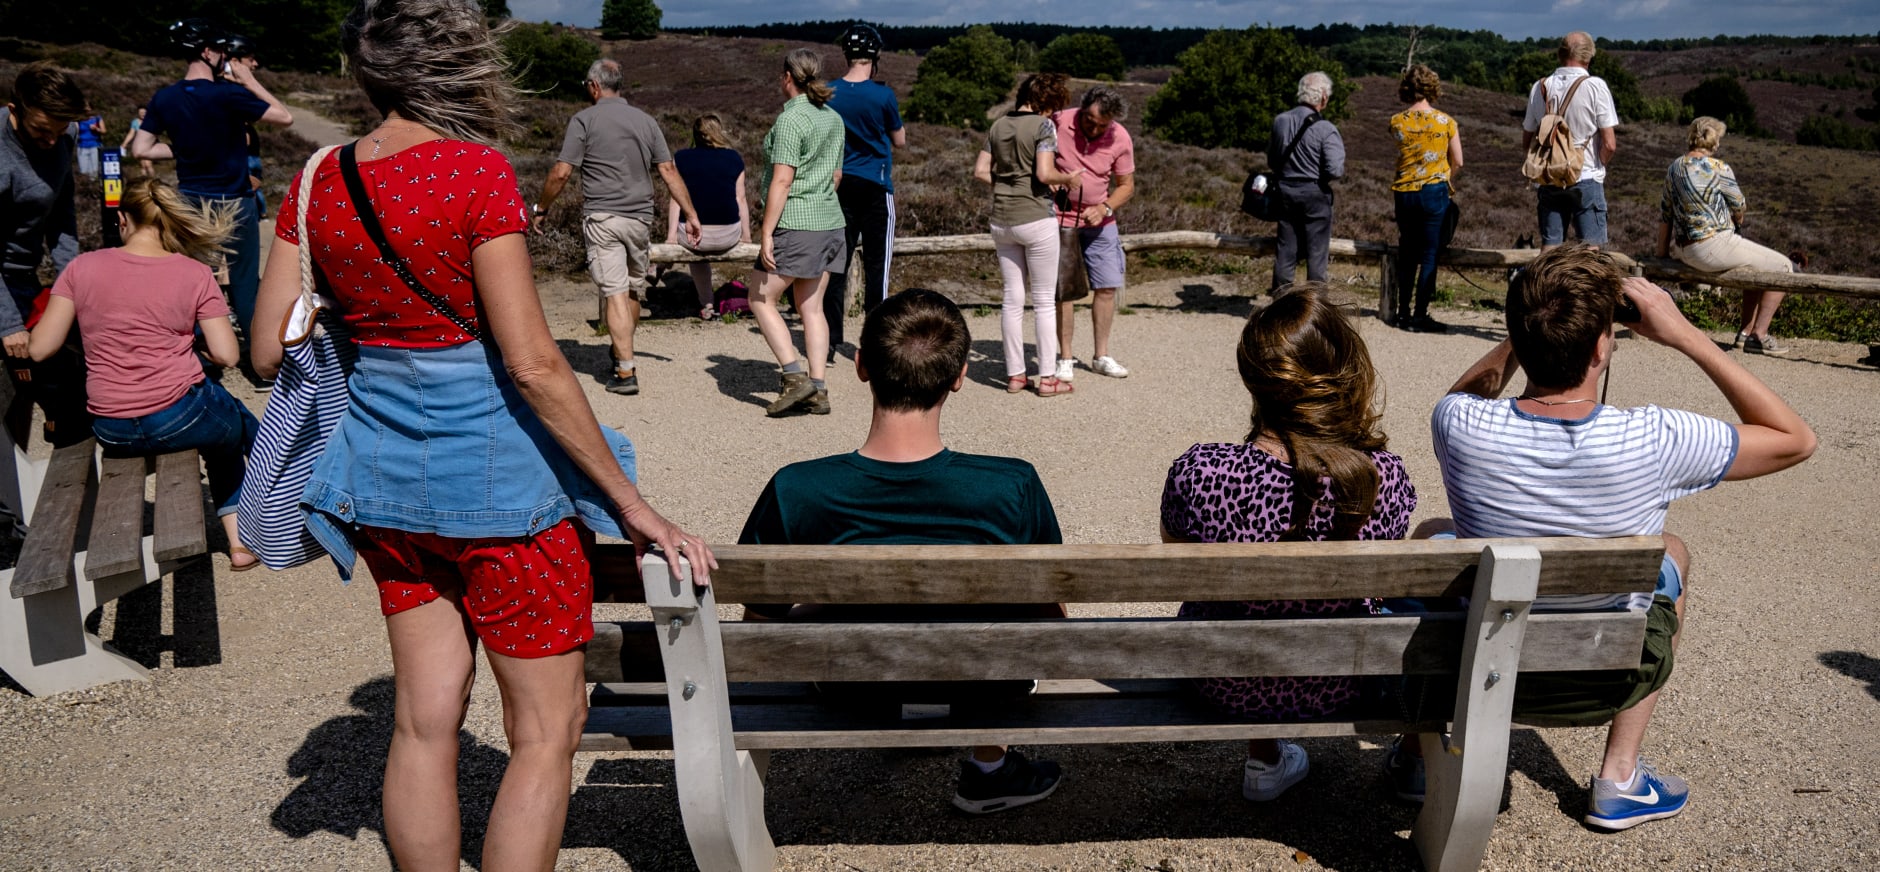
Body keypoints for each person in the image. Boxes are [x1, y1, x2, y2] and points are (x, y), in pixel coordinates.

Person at [248, 3, 716, 868]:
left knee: (423, 722)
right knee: (544, 731)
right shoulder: (476, 173)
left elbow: (263, 348)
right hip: (504, 496)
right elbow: (533, 362)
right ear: (461, 67)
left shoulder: (319, 177)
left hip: (384, 488)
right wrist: (634, 507)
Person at [1409, 244, 1814, 830]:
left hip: (1476, 669)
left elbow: (1467, 391)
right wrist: (1686, 335)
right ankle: (1618, 778)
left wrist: (1527, 328)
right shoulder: (1657, 437)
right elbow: (1794, 439)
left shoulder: (1460, 425)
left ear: (1520, 339)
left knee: (1432, 536)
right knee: (1672, 550)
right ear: (1604, 345)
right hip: (1603, 679)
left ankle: (1415, 755)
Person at [738, 287, 1065, 814]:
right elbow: (1049, 618)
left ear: (862, 365)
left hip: (851, 687)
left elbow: (759, 628)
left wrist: (825, 608)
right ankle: (990, 767)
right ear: (959, 377)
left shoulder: (796, 488)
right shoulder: (1012, 484)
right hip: (984, 688)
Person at [1162, 284, 1417, 802]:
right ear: (1346, 373)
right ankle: (1413, 760)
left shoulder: (1202, 471)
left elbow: (1177, 560)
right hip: (1343, 681)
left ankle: (1264, 757)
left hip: (1225, 682)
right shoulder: (1382, 478)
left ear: (1252, 378)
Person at [28, 177, 258, 571]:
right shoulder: (194, 272)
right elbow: (228, 355)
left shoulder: (81, 268)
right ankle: (244, 537)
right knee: (231, 426)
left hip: (111, 425)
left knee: (228, 419)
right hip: (180, 416)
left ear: (123, 219)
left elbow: (40, 348)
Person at [129, 17, 294, 370]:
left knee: (192, 279)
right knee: (245, 280)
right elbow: (284, 117)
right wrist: (249, 80)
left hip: (189, 200)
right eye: (220, 50)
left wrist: (185, 150)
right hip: (234, 200)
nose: (224, 57)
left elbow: (141, 148)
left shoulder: (165, 98)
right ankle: (257, 361)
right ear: (207, 52)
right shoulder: (229, 94)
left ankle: (196, 354)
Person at [534, 58, 701, 397]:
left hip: (603, 218)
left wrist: (541, 207)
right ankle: (620, 350)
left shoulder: (583, 120)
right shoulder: (646, 121)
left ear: (594, 86)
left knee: (614, 294)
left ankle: (625, 371)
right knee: (632, 290)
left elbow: (562, 172)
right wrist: (691, 213)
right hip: (639, 218)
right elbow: (668, 170)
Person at [1, 61, 94, 451]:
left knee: (67, 368)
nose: (52, 141)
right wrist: (7, 323)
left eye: (59, 132)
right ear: (13, 111)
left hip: (22, 274)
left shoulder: (65, 132)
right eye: (42, 130)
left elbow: (62, 214)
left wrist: (71, 283)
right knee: (12, 379)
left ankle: (67, 455)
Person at [750, 48, 846, 418]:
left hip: (797, 222)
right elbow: (836, 176)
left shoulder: (790, 122)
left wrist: (767, 231)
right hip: (830, 221)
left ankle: (794, 377)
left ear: (787, 76)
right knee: (812, 307)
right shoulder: (834, 119)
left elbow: (783, 178)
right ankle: (818, 388)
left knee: (760, 298)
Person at [974, 73, 1080, 397]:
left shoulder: (998, 125)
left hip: (1002, 219)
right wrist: (1069, 178)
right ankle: (1048, 378)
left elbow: (980, 171)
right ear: (1046, 101)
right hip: (1035, 216)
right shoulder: (1043, 127)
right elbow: (1044, 174)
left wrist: (1006, 188)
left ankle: (1015, 376)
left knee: (1012, 298)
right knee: (1045, 301)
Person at [1656, 116, 1792, 356]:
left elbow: (1665, 215)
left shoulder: (1674, 167)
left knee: (1754, 266)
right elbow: (1739, 205)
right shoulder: (1719, 168)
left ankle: (1744, 332)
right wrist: (1737, 220)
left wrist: (1661, 256)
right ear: (1714, 142)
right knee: (1782, 267)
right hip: (1713, 245)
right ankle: (1759, 335)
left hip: (1685, 250)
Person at [822, 23, 905, 353]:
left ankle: (827, 341)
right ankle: (873, 345)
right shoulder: (883, 95)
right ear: (876, 55)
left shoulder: (828, 92)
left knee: (834, 264)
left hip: (839, 186)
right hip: (876, 184)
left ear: (846, 54)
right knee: (877, 267)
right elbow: (899, 140)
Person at [1051, 87, 1136, 383]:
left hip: (1100, 221)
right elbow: (1037, 158)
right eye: (1090, 120)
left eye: (1103, 125)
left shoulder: (1120, 137)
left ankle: (1101, 355)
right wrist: (1047, 179)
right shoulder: (1058, 121)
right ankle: (1065, 357)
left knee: (1108, 286)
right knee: (1066, 289)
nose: (1095, 128)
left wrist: (1105, 207)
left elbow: (1126, 185)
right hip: (1060, 218)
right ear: (1081, 110)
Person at [1522, 31, 1618, 251]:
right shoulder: (1595, 86)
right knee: (1590, 251)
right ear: (1589, 56)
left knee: (1550, 249)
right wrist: (1598, 165)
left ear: (1560, 54)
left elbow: (1527, 138)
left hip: (1549, 176)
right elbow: (1610, 144)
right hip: (1585, 174)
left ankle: (1547, 286)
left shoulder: (1540, 87)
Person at [1388, 64, 1464, 334]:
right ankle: (1421, 315)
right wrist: (1447, 177)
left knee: (1408, 252)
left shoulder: (1397, 122)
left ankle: (1402, 312)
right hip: (1434, 190)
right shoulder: (1446, 122)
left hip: (1404, 191)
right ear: (1432, 88)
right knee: (1430, 253)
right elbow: (1459, 160)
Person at [666, 114, 748, 321]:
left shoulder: (682, 157)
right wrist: (746, 236)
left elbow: (676, 200)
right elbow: (741, 199)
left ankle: (707, 303)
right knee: (698, 238)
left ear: (695, 135)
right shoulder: (734, 158)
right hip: (728, 235)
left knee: (695, 244)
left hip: (695, 238)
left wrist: (671, 238)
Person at [1268, 72, 1345, 294]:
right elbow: (1335, 169)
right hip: (1314, 194)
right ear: (1323, 97)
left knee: (1285, 249)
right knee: (1317, 254)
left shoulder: (1280, 121)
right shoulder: (1326, 129)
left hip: (1284, 191)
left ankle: (1281, 303)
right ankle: (1315, 305)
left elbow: (1272, 160)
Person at [217, 35, 268, 215]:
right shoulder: (230, 91)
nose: (255, 64)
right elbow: (282, 115)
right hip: (239, 158)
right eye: (250, 59)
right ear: (234, 60)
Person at [118, 108, 155, 177]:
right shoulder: (135, 122)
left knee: (148, 164)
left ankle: (153, 181)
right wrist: (124, 144)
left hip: (149, 144)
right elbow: (131, 134)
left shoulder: (150, 120)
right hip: (139, 145)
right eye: (141, 112)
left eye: (144, 112)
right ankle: (145, 182)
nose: (143, 114)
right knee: (143, 165)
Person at [73, 114, 105, 178]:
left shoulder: (97, 118)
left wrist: (96, 128)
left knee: (94, 170)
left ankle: (94, 184)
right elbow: (75, 130)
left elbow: (104, 130)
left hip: (94, 146)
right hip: (82, 146)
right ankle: (85, 184)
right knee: (83, 170)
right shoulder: (79, 119)